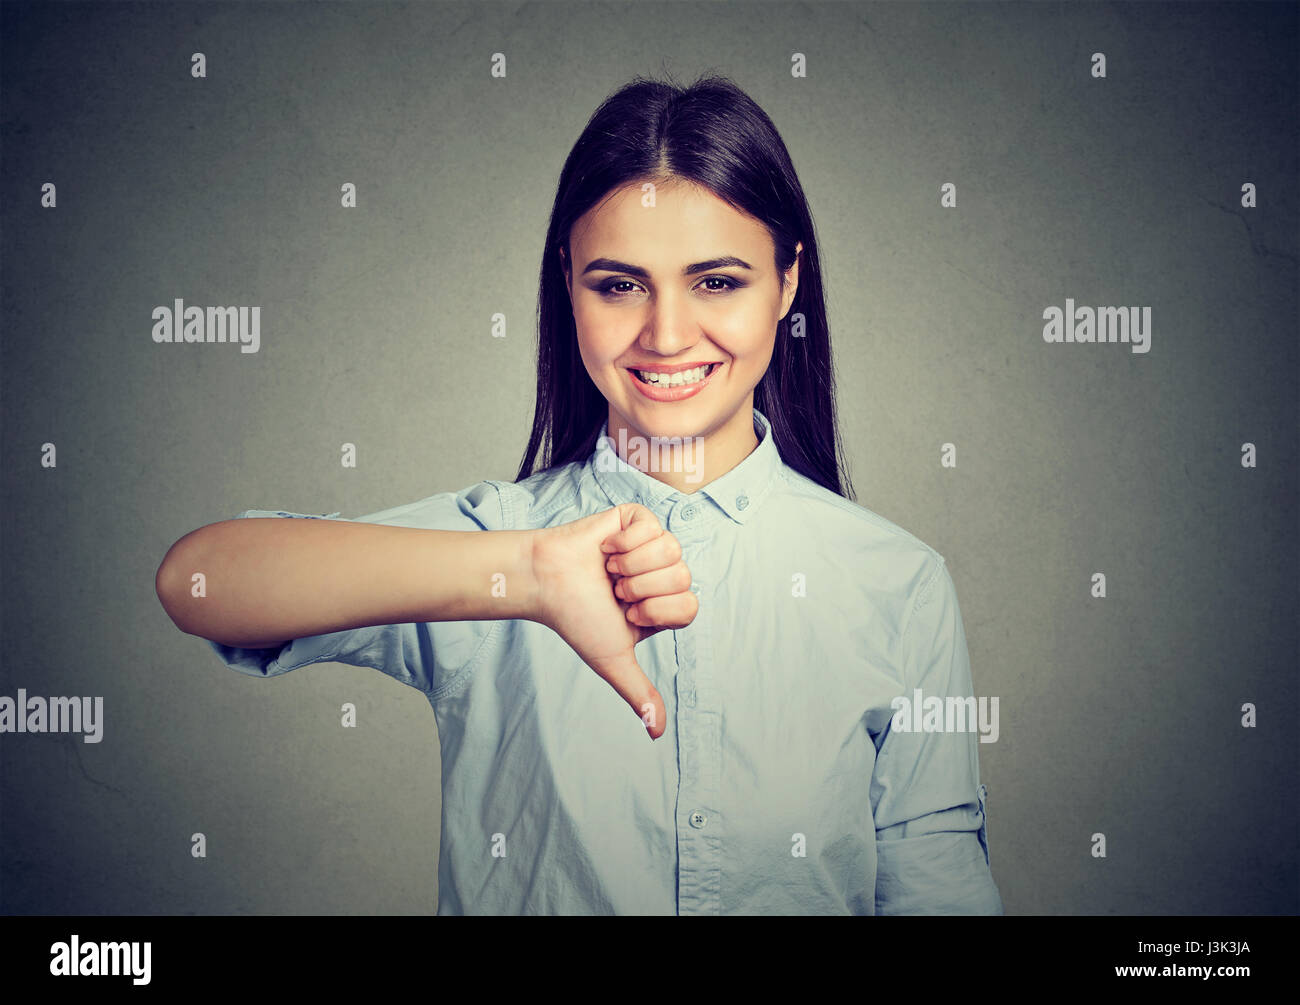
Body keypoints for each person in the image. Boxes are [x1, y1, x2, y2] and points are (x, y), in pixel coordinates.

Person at [155, 73, 1004, 916]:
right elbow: (200, 580)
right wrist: (526, 574)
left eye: (717, 281)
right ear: (569, 282)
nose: (666, 334)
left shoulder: (900, 583)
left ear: (786, 284)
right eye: (619, 284)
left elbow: (937, 882)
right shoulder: (501, 541)